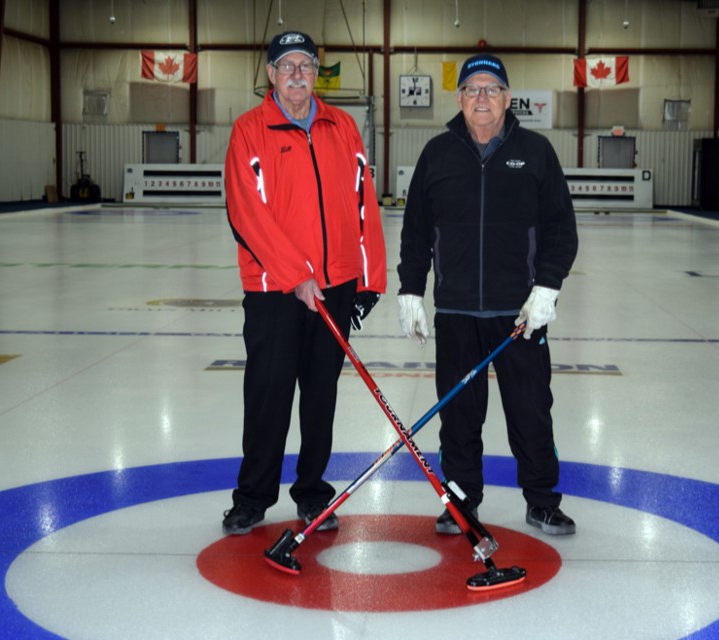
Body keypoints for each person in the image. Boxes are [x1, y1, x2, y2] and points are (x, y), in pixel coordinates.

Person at [397, 54, 578, 535]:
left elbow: (561, 228)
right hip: (455, 312)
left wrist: (547, 286)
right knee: (458, 416)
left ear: (507, 97)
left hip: (519, 313)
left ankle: (542, 500)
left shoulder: (536, 152)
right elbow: (415, 231)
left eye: (491, 89)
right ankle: (461, 501)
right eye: (472, 89)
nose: (482, 97)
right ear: (458, 99)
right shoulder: (437, 154)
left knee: (531, 410)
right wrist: (411, 289)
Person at [222, 31, 387, 535]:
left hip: (335, 286)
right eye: (287, 65)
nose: (297, 74)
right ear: (270, 75)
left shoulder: (342, 127)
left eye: (306, 65)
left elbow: (365, 205)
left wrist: (369, 279)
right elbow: (246, 213)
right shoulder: (250, 130)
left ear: (318, 73)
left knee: (320, 397)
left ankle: (313, 493)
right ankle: (252, 497)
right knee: (268, 394)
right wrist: (295, 276)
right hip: (274, 290)